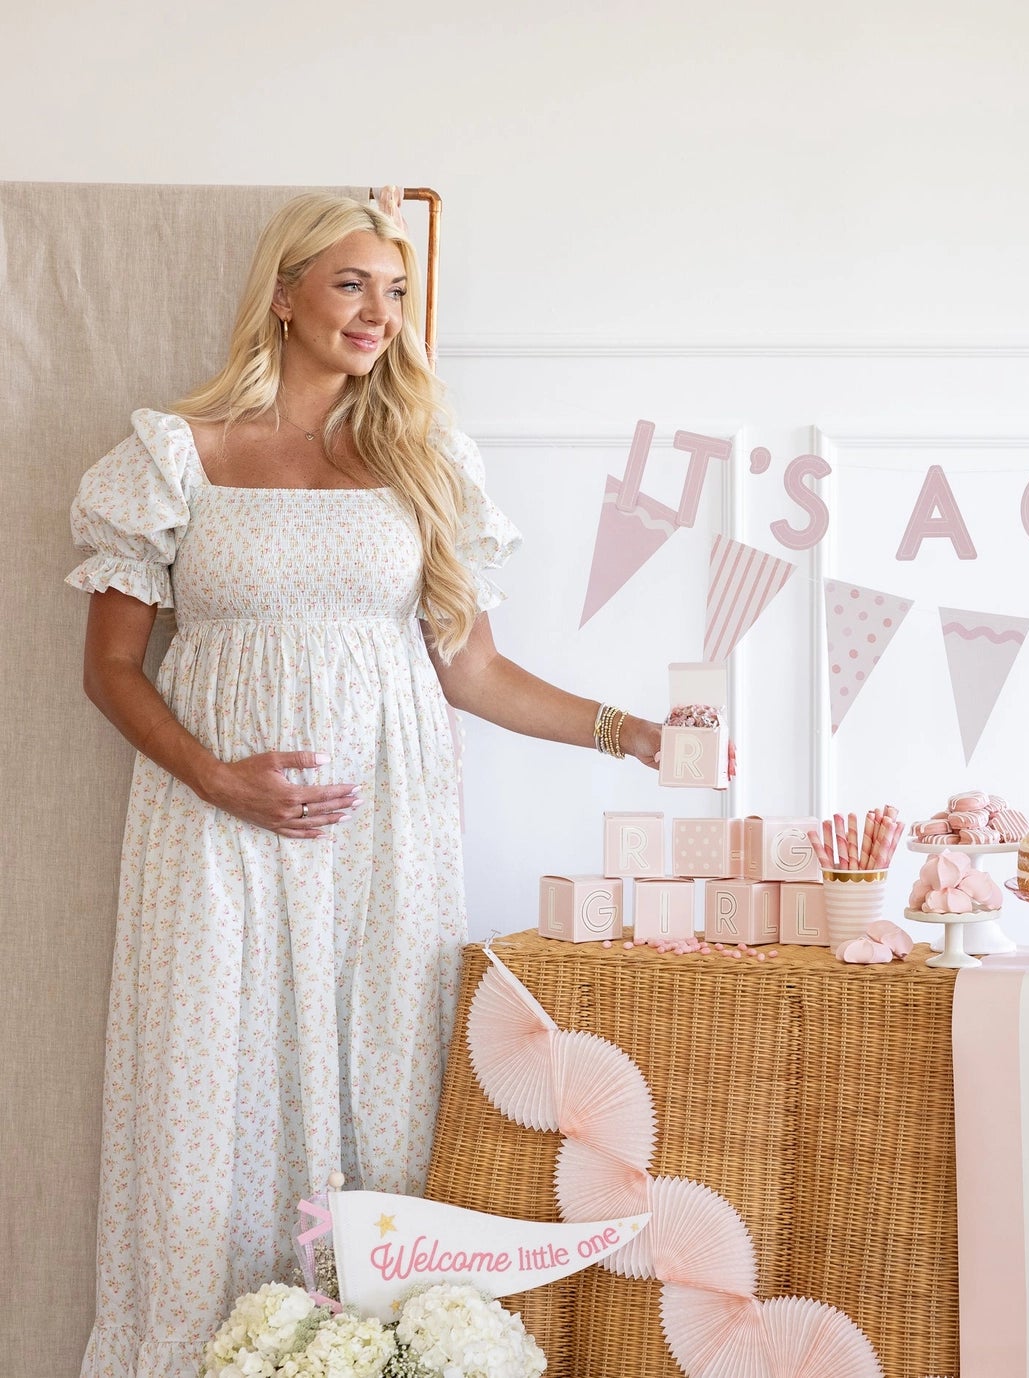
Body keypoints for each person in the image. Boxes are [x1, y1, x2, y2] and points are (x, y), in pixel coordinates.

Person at [67, 192, 664, 1377]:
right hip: (211, 833)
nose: (378, 313)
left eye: (395, 291)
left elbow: (473, 667)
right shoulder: (175, 456)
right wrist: (220, 779)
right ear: (283, 295)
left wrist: (631, 730)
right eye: (351, 284)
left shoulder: (424, 458)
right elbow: (112, 669)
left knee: (386, 1086)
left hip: (387, 830)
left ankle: (376, 1352)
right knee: (206, 1096)